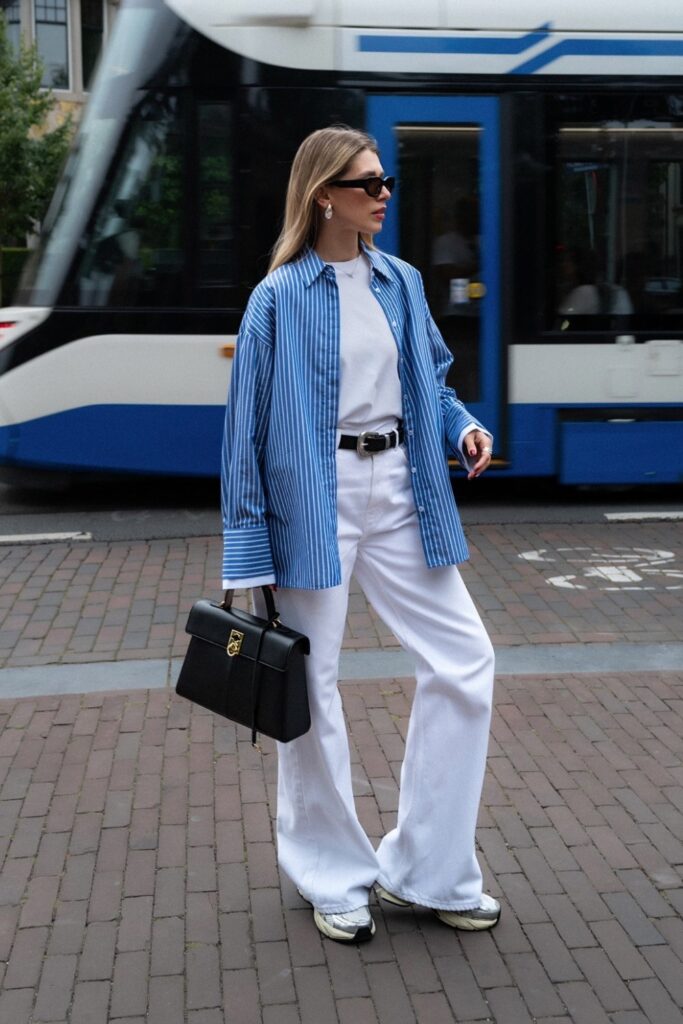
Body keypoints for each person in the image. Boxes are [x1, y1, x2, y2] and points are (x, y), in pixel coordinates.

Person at [220, 125, 500, 943]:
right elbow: (242, 434)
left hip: (403, 485)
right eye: (368, 182)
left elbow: (432, 380)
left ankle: (428, 870)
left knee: (465, 661)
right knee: (311, 686)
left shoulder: (400, 281)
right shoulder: (276, 298)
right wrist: (246, 552)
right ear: (324, 196)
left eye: (385, 182)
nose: (384, 194)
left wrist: (461, 427)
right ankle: (332, 874)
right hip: (316, 494)